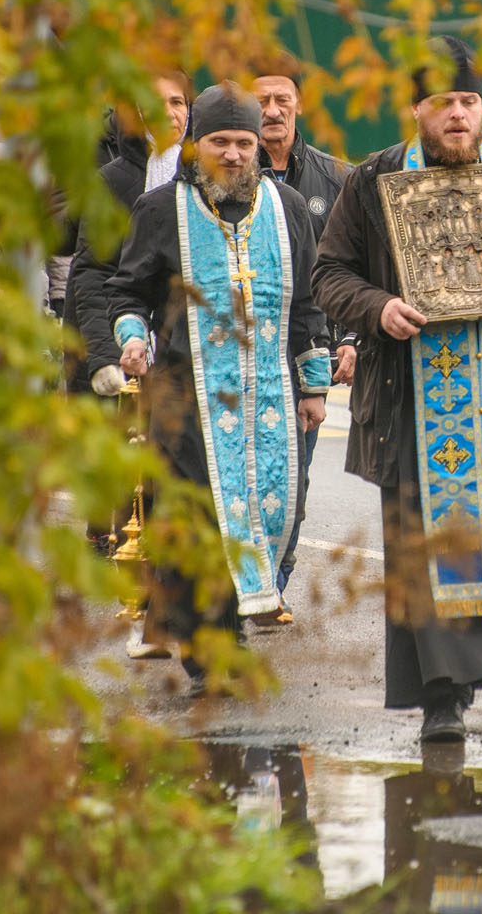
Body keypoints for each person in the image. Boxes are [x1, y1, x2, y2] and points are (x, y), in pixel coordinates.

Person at [312, 37, 482, 742]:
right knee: (421, 543)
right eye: (444, 104)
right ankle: (441, 693)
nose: (459, 116)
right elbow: (330, 274)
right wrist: (378, 309)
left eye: (469, 102)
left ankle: (468, 676)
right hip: (411, 398)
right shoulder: (375, 180)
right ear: (417, 111)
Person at [105, 83, 331, 697]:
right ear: (195, 146)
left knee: (258, 513)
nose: (232, 155)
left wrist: (314, 387)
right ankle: (210, 649)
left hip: (269, 397)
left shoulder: (284, 207)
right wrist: (131, 336)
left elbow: (307, 305)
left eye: (243, 143)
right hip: (184, 396)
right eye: (219, 143)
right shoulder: (160, 210)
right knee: (195, 521)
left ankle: (228, 631)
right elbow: (128, 292)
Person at [250, 59, 356, 612]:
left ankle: (277, 583)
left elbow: (357, 267)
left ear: (298, 106)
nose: (272, 111)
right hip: (239, 357)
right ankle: (239, 588)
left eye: (281, 100)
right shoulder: (217, 178)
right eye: (261, 101)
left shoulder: (336, 179)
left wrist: (351, 341)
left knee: (292, 476)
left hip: (306, 358)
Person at [66, 69, 193, 397]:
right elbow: (93, 273)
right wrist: (106, 355)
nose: (167, 113)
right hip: (111, 357)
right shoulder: (112, 180)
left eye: (177, 102)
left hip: (177, 363)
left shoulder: (202, 181)